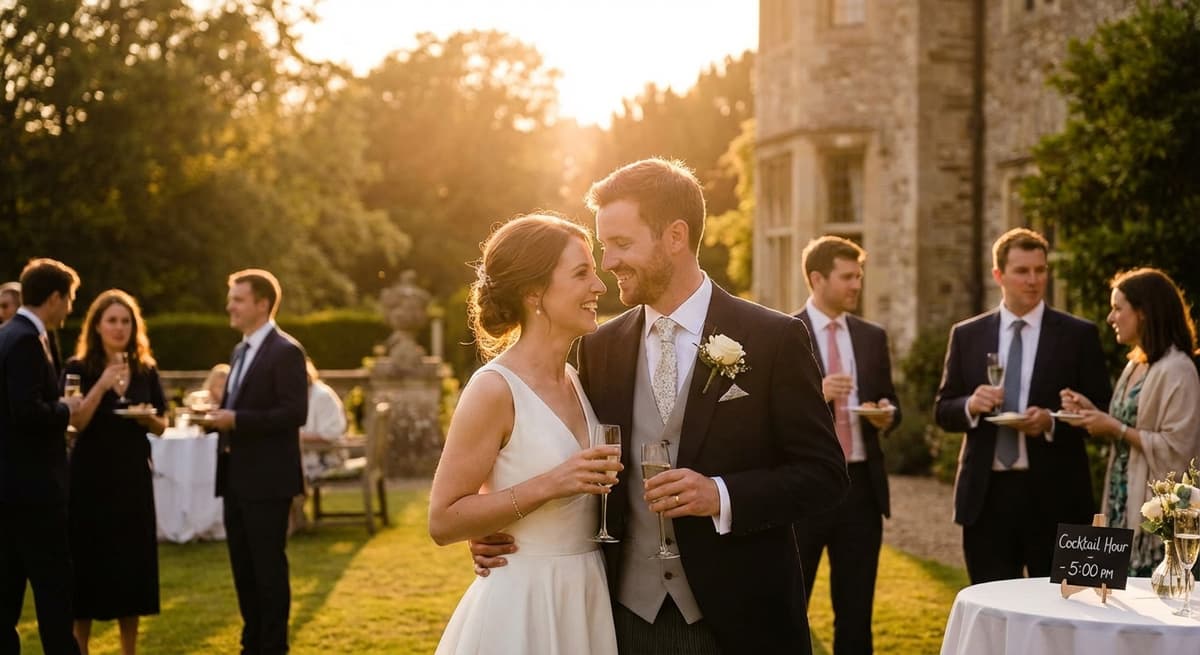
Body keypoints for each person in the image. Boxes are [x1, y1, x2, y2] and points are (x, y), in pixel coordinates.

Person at [473, 159, 849, 654]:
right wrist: (498, 528)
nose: (609, 263)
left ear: (675, 236)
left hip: (741, 621)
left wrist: (721, 495)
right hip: (624, 619)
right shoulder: (600, 347)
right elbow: (569, 459)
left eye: (622, 244)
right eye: (605, 247)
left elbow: (824, 475)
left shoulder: (773, 339)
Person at [429, 214, 621, 655]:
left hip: (588, 594)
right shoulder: (494, 388)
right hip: (523, 604)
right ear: (534, 292)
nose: (600, 286)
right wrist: (551, 484)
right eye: (581, 273)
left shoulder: (577, 378)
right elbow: (442, 520)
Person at [934, 228, 1112, 584]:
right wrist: (971, 404)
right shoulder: (967, 334)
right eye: (1022, 271)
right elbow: (943, 409)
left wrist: (1051, 423)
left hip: (1060, 497)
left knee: (1070, 614)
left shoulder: (1079, 335)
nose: (1033, 280)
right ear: (998, 275)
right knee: (996, 615)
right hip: (986, 500)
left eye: (1040, 270)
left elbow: (1102, 412)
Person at [794, 236, 900, 655]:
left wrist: (886, 414)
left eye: (859, 276)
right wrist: (816, 393)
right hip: (805, 490)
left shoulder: (872, 336)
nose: (857, 285)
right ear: (817, 278)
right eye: (848, 277)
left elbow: (893, 403)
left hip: (861, 490)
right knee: (791, 604)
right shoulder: (785, 333)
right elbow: (771, 415)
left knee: (856, 611)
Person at [1060, 268, 1200, 575]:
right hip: (1121, 498)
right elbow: (1129, 424)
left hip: (1153, 517)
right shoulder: (1135, 364)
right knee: (1112, 603)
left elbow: (1179, 449)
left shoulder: (1178, 369)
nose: (1111, 318)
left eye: (1118, 308)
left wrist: (1116, 429)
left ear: (1144, 313)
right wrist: (1090, 412)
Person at [202, 269, 307, 655]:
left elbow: (294, 412)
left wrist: (237, 419)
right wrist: (216, 417)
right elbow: (240, 408)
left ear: (262, 304)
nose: (230, 305)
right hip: (235, 477)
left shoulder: (286, 351)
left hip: (268, 480)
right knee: (243, 570)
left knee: (268, 571)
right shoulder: (239, 351)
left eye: (238, 299)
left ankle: (273, 646)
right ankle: (251, 644)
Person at [62, 290, 166, 655]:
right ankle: (80, 648)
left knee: (131, 565)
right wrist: (103, 384)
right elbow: (75, 422)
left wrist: (146, 417)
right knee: (86, 565)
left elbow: (161, 424)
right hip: (89, 480)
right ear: (97, 326)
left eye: (126, 321)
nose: (119, 328)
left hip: (132, 479)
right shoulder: (78, 367)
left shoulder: (145, 369)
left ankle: (129, 650)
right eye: (112, 321)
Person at [0, 258, 83, 655]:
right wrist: (69, 409)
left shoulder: (7, 334)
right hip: (33, 491)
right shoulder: (25, 341)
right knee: (54, 591)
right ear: (54, 298)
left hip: (10, 487)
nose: (70, 308)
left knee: (7, 593)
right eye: (69, 299)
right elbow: (27, 411)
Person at [299, 359, 349, 481]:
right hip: (310, 454)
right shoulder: (304, 394)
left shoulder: (322, 395)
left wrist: (298, 436)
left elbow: (330, 434)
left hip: (327, 457)